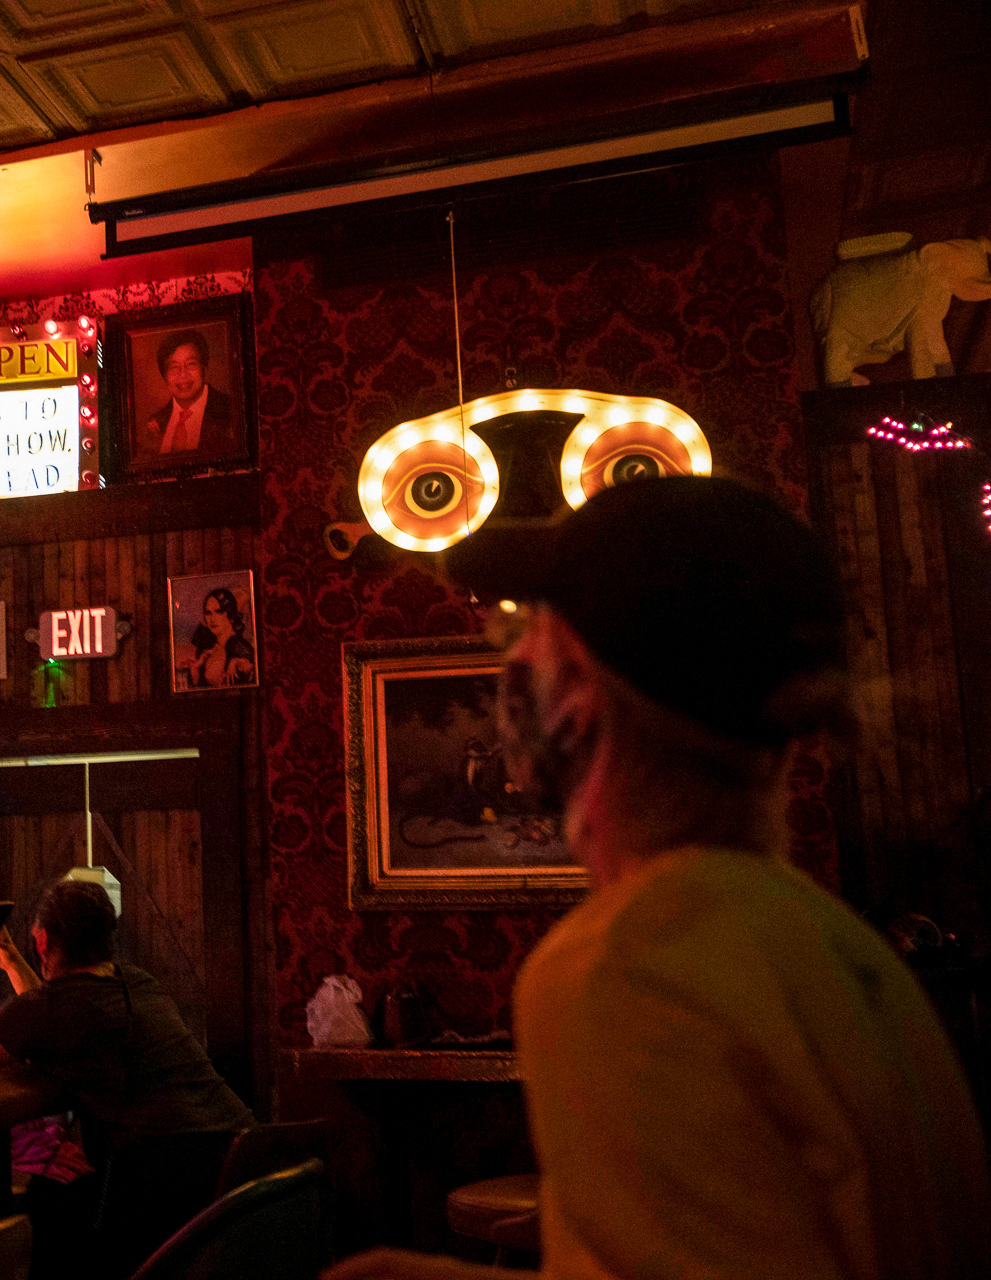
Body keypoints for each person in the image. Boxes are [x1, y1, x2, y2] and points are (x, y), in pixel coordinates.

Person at [328, 475, 991, 1280]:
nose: (515, 650)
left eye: (534, 624)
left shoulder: (624, 969)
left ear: (580, 694)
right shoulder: (837, 945)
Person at [0, 879, 253, 1276]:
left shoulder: (55, 1007)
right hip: (242, 1165)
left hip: (170, 1185)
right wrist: (14, 963)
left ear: (42, 941)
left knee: (49, 1203)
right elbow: (51, 1012)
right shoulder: (138, 982)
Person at [139, 329, 233, 456]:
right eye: (173, 367)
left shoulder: (230, 411)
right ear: (164, 376)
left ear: (204, 368)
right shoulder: (156, 421)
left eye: (191, 364)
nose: (182, 374)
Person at [177, 586, 254, 689]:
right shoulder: (207, 649)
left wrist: (237, 662)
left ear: (230, 614)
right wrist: (195, 669)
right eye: (208, 613)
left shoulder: (239, 646)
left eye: (219, 612)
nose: (212, 619)